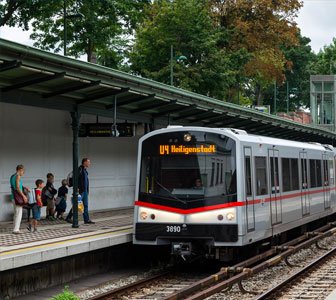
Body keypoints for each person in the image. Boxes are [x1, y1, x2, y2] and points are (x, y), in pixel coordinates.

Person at [10, 165, 28, 234]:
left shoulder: (12, 176)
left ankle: (15, 228)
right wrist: (24, 196)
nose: (23, 173)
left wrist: (25, 187)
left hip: (13, 196)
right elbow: (17, 187)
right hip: (17, 197)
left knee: (16, 213)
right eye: (23, 171)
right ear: (20, 170)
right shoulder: (18, 176)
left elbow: (16, 185)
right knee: (19, 213)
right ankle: (16, 230)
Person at [79, 158, 95, 224]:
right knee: (77, 205)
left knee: (85, 205)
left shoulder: (85, 171)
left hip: (85, 191)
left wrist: (87, 190)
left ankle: (87, 220)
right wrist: (77, 187)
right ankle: (69, 217)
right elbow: (77, 179)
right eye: (88, 162)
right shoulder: (80, 169)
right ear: (84, 162)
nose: (89, 163)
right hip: (81, 190)